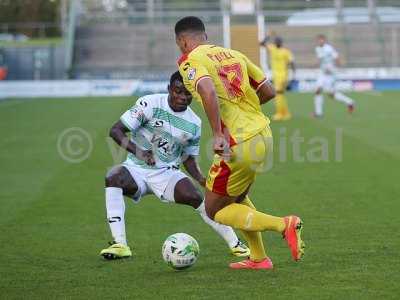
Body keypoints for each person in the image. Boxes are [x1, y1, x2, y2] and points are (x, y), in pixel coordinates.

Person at [175, 16, 305, 270]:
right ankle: (258, 258)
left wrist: (219, 134)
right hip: (262, 134)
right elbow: (267, 91)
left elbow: (207, 90)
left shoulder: (189, 60)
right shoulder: (233, 54)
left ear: (182, 40)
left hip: (238, 142)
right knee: (236, 196)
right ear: (206, 35)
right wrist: (244, 112)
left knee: (214, 209)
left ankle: (283, 225)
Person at [100, 71, 250, 259]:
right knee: (113, 176)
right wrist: (140, 153)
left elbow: (187, 158)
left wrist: (201, 178)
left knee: (195, 197)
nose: (182, 97)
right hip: (136, 168)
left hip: (166, 172)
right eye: (178, 91)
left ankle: (235, 243)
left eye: (187, 94)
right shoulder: (149, 104)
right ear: (169, 89)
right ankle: (120, 244)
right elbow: (116, 131)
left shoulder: (194, 123)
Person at [314, 34, 355, 117]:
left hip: (330, 74)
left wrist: (337, 68)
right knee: (318, 91)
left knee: (331, 94)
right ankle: (319, 113)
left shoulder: (328, 48)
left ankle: (350, 102)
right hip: (322, 73)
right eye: (318, 40)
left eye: (321, 40)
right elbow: (321, 60)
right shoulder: (317, 49)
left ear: (324, 40)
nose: (320, 41)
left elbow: (336, 57)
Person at [260, 35, 295, 121]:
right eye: (276, 41)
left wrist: (294, 74)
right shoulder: (272, 48)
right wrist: (268, 36)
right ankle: (286, 113)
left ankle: (279, 114)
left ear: (281, 42)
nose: (277, 42)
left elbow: (292, 63)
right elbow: (261, 43)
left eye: (278, 41)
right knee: (281, 95)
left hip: (283, 76)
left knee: (278, 94)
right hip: (276, 76)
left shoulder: (286, 52)